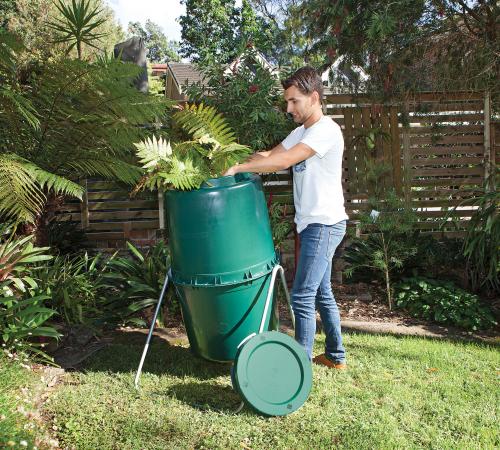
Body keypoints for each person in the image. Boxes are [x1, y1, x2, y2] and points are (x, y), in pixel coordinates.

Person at [224, 67, 349, 369]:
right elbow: (270, 155)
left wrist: (238, 169)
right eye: (287, 102)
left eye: (294, 102)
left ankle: (299, 368)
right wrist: (235, 157)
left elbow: (286, 160)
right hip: (312, 223)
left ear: (314, 97)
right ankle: (335, 356)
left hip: (324, 223)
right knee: (321, 291)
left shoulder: (326, 130)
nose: (288, 108)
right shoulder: (301, 132)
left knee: (302, 296)